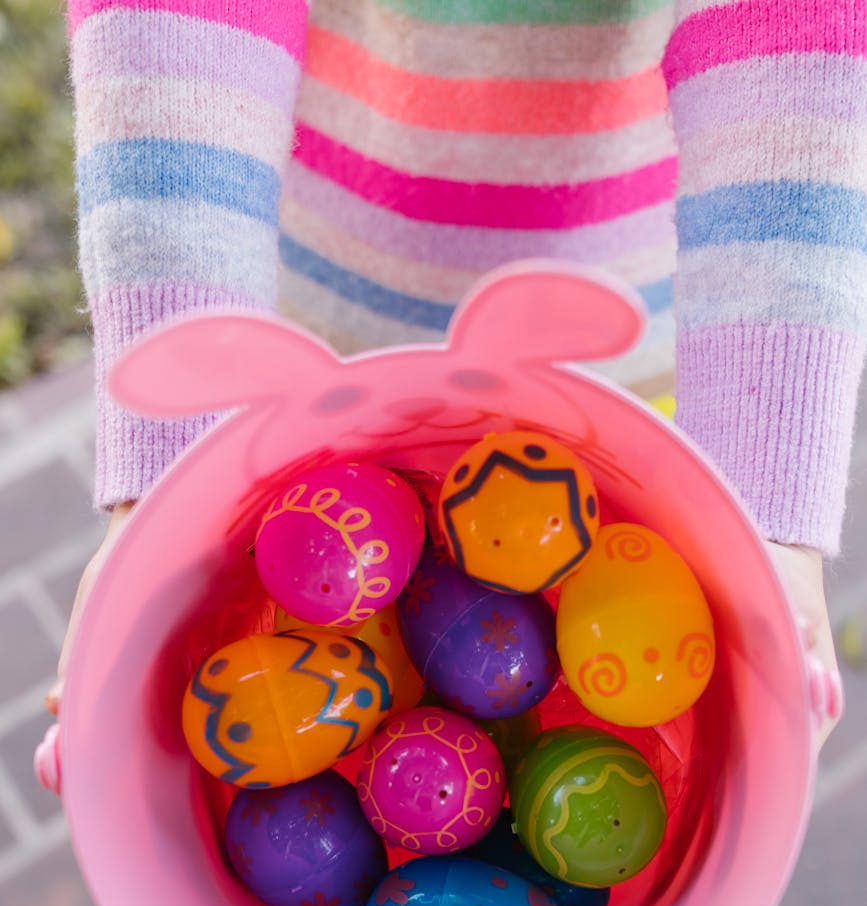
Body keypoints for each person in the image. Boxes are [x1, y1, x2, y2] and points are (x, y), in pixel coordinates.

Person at [48, 0, 865, 746]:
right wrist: (170, 479)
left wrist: (765, 519)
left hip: (607, 340)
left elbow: (788, 30)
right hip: (330, 322)